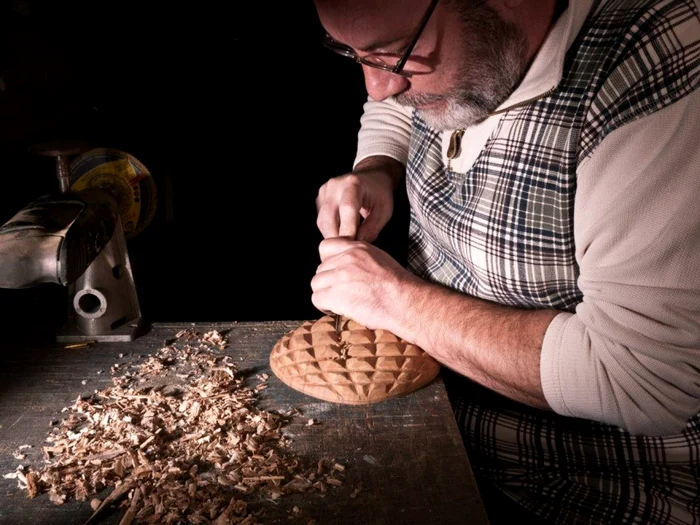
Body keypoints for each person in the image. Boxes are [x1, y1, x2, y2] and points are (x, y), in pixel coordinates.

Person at [308, 0, 700, 523]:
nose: (376, 85)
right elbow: (389, 103)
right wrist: (378, 168)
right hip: (446, 427)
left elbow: (644, 379)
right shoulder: (441, 55)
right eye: (354, 54)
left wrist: (392, 300)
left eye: (395, 54)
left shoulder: (651, 67)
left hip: (589, 489)